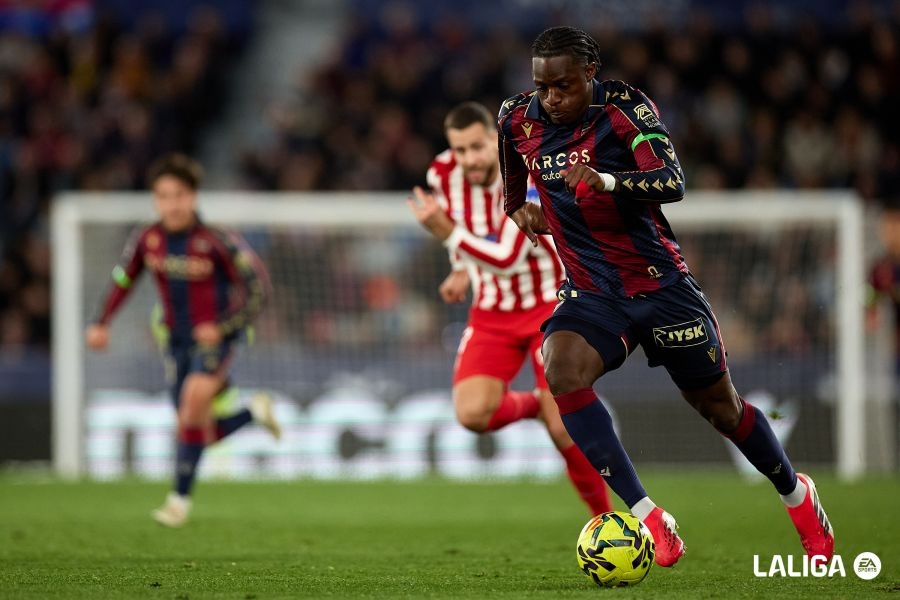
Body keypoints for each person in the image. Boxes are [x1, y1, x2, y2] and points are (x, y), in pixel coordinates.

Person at [498, 26, 834, 567]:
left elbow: (671, 180)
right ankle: (650, 516)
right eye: (543, 88)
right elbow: (514, 185)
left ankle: (798, 495)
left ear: (590, 73)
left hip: (661, 285)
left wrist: (607, 182)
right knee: (561, 368)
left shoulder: (625, 108)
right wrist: (521, 210)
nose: (551, 99)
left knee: (720, 409)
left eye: (563, 86)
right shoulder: (516, 117)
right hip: (592, 290)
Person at [407, 101, 612, 515]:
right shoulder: (442, 173)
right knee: (472, 414)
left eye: (478, 147)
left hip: (548, 307)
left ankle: (605, 519)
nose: (469, 159)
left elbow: (506, 257)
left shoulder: (527, 170)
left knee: (564, 429)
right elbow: (466, 229)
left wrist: (447, 235)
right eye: (460, 150)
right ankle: (535, 405)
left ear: (495, 139)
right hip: (492, 310)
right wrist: (460, 268)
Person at [85, 153, 281, 527]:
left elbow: (258, 290)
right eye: (162, 196)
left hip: (217, 341)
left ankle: (178, 503)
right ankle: (252, 412)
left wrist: (224, 327)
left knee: (193, 400)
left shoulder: (217, 240)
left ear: (192, 197)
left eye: (177, 195)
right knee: (196, 431)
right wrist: (101, 321)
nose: (170, 205)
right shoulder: (148, 238)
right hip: (175, 342)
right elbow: (124, 279)